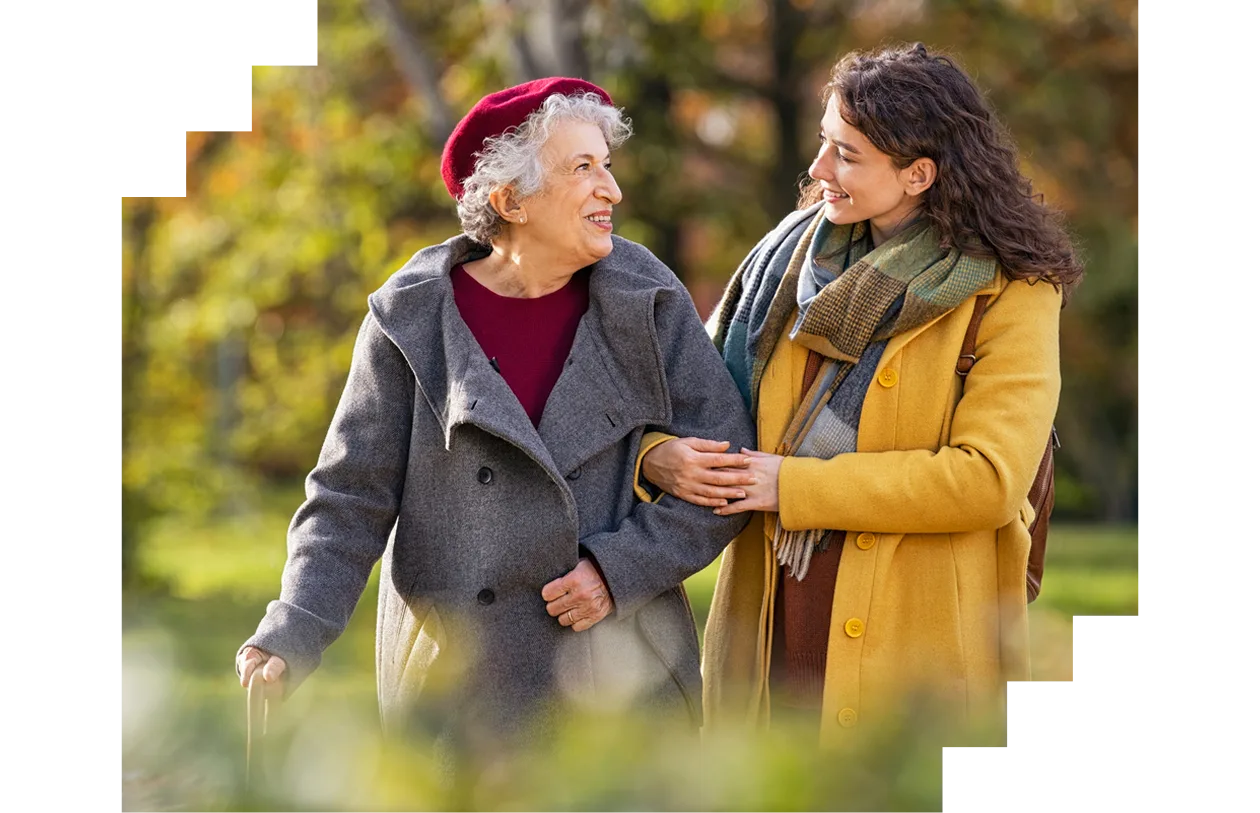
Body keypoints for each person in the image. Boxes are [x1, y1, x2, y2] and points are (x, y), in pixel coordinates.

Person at [234, 77, 756, 768]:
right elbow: (349, 498)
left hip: (621, 677)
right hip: (459, 687)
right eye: (583, 168)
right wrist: (291, 629)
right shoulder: (411, 318)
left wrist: (618, 567)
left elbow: (727, 471)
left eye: (607, 164)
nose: (612, 190)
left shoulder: (648, 298)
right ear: (511, 200)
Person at [637, 43, 1084, 748]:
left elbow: (988, 478)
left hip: (918, 645)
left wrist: (795, 485)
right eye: (823, 143)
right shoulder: (783, 266)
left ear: (918, 174)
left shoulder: (1014, 292)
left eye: (846, 154)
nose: (818, 171)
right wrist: (659, 456)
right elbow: (680, 400)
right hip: (771, 623)